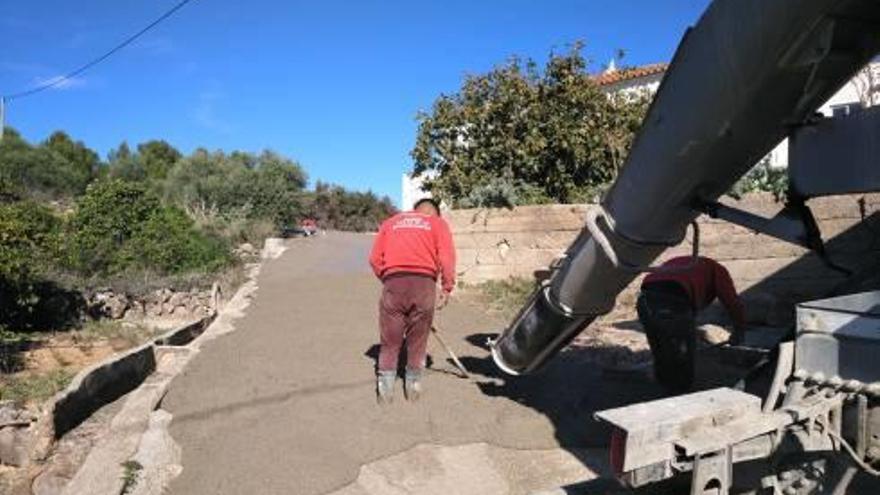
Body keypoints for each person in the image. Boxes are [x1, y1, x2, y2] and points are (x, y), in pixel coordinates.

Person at [368, 198, 456, 404]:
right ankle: (413, 387)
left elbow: (374, 259)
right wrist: (446, 287)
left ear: (414, 211)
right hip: (423, 286)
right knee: (418, 341)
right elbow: (447, 257)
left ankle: (385, 390)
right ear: (434, 213)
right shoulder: (437, 224)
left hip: (394, 284)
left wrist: (388, 278)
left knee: (390, 341)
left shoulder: (390, 223)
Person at [637, 256, 745, 393]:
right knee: (684, 349)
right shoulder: (718, 271)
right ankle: (681, 392)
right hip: (673, 299)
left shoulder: (685, 264)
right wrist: (739, 329)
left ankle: (662, 387)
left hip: (645, 301)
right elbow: (732, 302)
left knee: (660, 347)